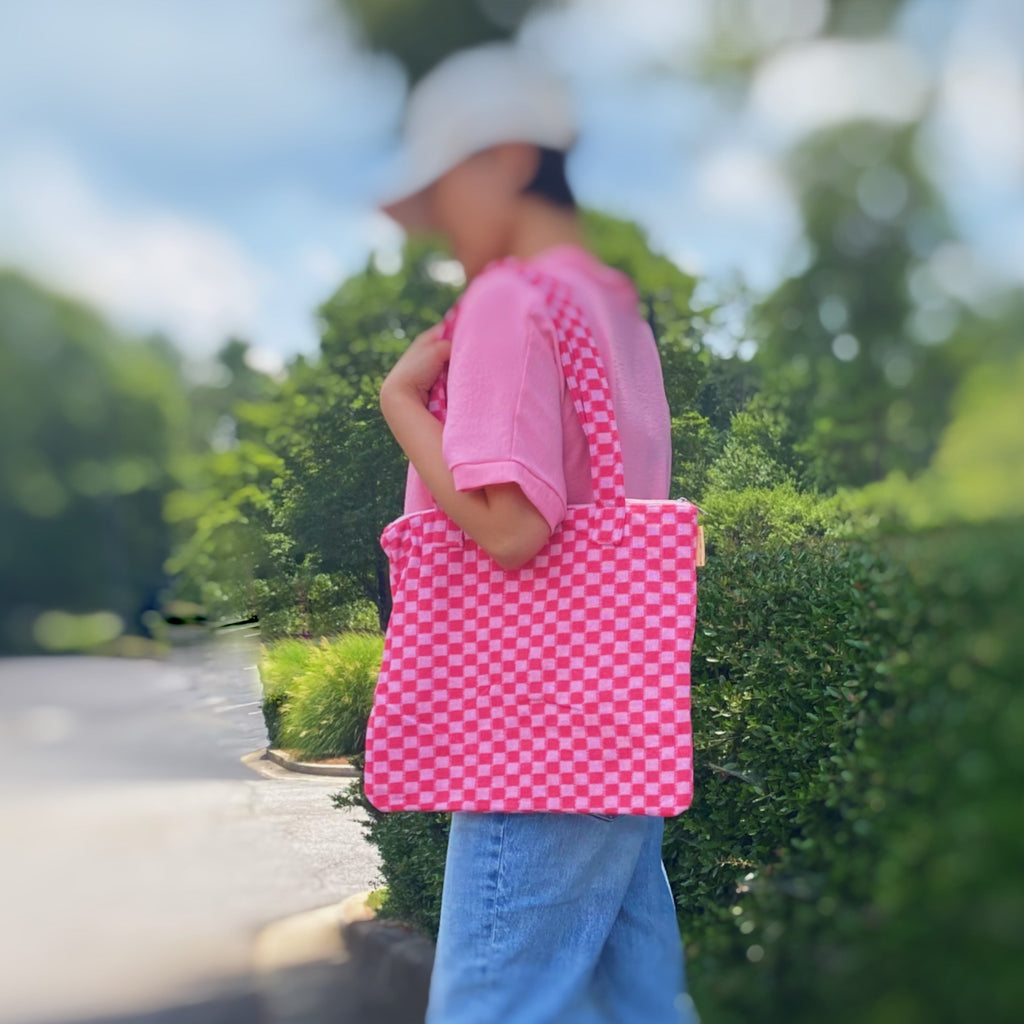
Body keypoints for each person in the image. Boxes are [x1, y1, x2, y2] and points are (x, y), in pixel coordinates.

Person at [373, 42, 701, 1024]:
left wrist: (401, 404)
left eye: (443, 191)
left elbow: (511, 530)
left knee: (492, 1003)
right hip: (611, 725)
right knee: (634, 998)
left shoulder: (509, 301)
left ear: (509, 158)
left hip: (530, 724)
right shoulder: (612, 311)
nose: (437, 225)